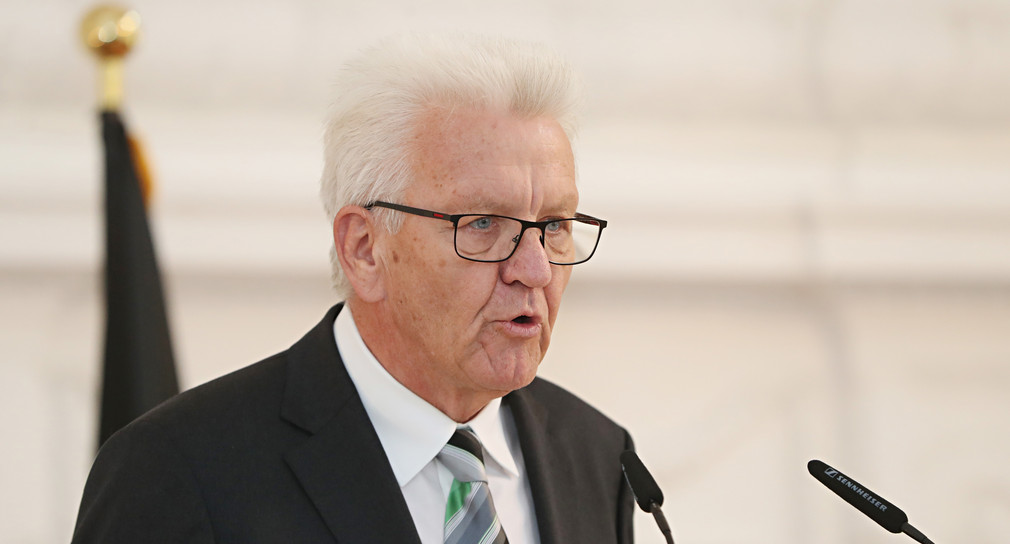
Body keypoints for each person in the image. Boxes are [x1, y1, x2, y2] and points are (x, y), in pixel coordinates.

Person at [71, 33, 635, 544]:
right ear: (364, 249)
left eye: (554, 226)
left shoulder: (599, 457)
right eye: (484, 223)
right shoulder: (179, 471)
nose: (535, 270)